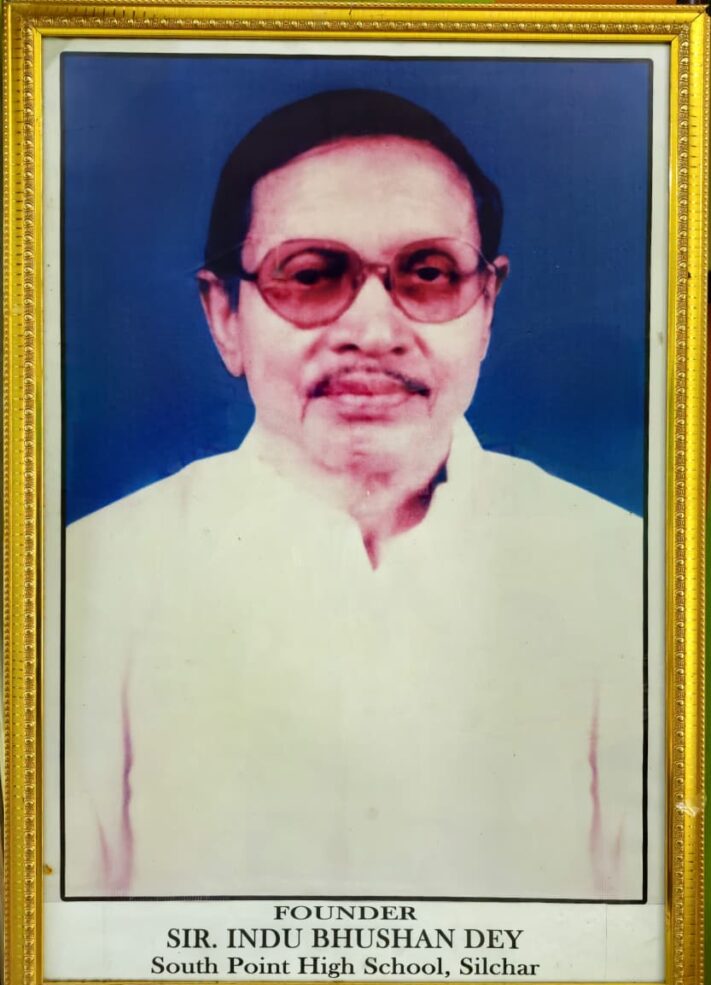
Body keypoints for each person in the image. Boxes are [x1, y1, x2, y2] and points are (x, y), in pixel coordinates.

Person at [65, 90, 644, 900]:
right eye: (310, 275)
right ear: (224, 315)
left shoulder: (626, 577)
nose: (373, 332)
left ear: (486, 307)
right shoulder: (85, 584)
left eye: (428, 274)